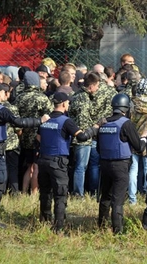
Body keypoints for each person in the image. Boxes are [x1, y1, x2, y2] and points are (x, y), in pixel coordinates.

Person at [0, 83, 49, 228]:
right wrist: (39, 121)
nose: (7, 96)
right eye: (6, 93)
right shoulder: (1, 110)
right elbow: (18, 122)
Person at [37, 92, 100, 233]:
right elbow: (82, 137)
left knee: (45, 193)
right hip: (58, 162)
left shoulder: (45, 119)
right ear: (64, 104)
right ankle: (58, 226)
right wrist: (94, 129)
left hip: (43, 159)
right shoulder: (66, 121)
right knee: (60, 194)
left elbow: (38, 137)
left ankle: (44, 220)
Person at [97, 94, 146, 234]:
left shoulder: (103, 123)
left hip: (105, 164)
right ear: (127, 108)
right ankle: (118, 231)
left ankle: (101, 225)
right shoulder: (126, 123)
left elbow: (98, 148)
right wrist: (144, 139)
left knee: (105, 196)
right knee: (117, 200)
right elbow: (138, 147)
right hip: (120, 165)